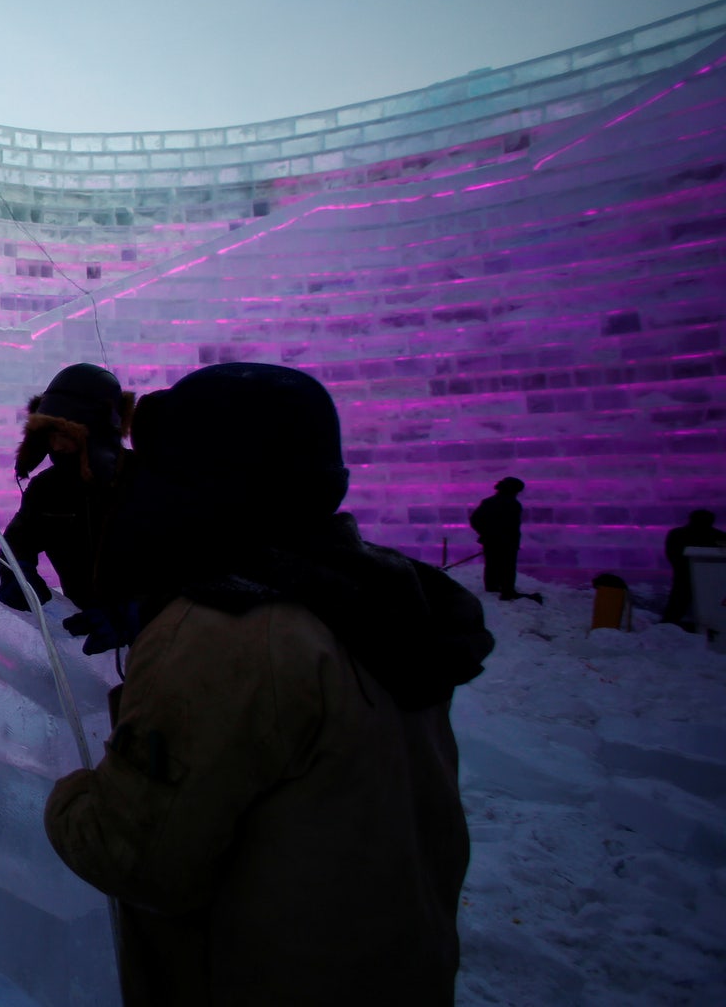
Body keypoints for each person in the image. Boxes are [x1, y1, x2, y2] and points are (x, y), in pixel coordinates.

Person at [43, 363, 493, 1005]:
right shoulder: (384, 599)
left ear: (203, 489)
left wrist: (66, 794)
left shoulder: (222, 634)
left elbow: (131, 854)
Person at [0, 364, 129, 650]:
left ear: (98, 432)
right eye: (49, 433)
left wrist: (134, 614)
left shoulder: (144, 480)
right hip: (85, 634)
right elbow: (19, 540)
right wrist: (18, 572)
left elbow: (188, 568)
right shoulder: (47, 488)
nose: (56, 445)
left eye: (67, 434)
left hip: (159, 641)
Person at [664, 509, 726, 631]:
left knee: (677, 606)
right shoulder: (718, 536)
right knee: (677, 607)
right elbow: (673, 554)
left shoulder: (677, 534)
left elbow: (672, 554)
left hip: (693, 578)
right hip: (694, 578)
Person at [470, 476, 527, 600]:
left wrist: (484, 533)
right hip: (507, 542)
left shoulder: (488, 502)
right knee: (508, 566)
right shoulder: (513, 504)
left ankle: (491, 586)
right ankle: (507, 591)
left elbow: (475, 520)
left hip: (490, 540)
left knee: (491, 564)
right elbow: (512, 526)